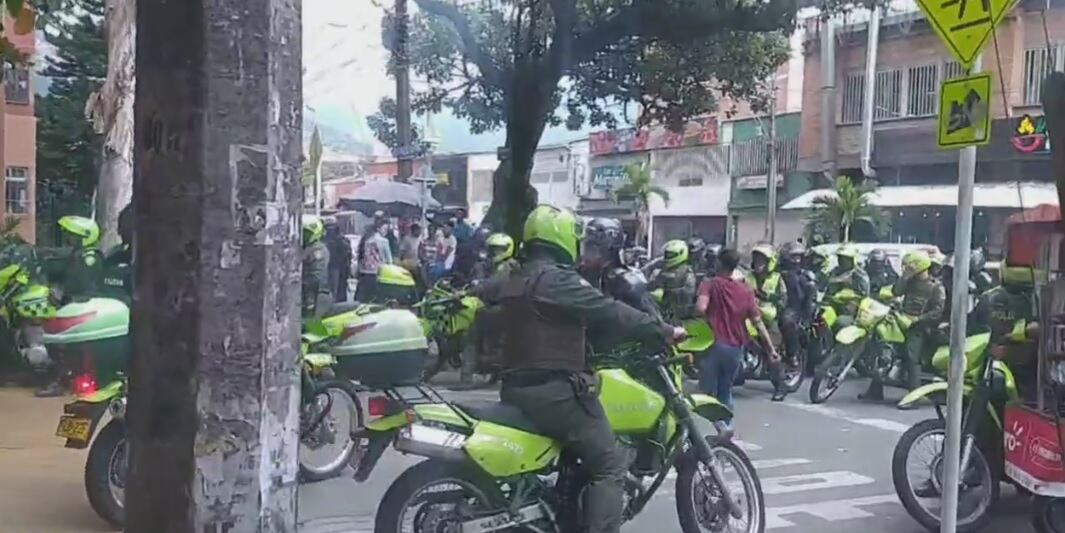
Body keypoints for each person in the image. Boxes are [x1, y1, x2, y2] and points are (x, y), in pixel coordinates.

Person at [476, 205, 683, 533]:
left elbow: (482, 307)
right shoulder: (559, 281)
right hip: (555, 393)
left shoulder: (515, 278)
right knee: (611, 465)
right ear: (562, 237)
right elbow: (609, 310)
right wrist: (665, 331)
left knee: (578, 456)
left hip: (515, 387)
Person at [697, 248, 780, 431]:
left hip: (712, 344)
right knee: (725, 391)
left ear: (718, 263)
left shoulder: (709, 284)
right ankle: (726, 427)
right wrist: (771, 350)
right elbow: (758, 324)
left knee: (706, 393)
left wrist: (706, 319)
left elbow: (701, 308)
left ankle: (718, 429)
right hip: (735, 348)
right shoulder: (746, 291)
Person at [862, 250, 945, 402]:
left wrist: (917, 319)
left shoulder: (935, 287)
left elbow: (937, 312)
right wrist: (904, 278)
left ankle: (913, 397)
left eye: (910, 267)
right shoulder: (910, 282)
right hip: (900, 321)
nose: (907, 269)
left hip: (920, 328)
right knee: (883, 347)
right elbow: (895, 291)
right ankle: (875, 391)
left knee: (911, 356)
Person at [579, 218, 664, 353]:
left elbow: (654, 323)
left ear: (610, 249)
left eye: (593, 249)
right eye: (586, 248)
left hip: (622, 360)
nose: (587, 255)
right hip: (584, 357)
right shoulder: (578, 276)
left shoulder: (628, 281)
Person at [453, 232, 520, 390]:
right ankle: (494, 373)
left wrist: (467, 292)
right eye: (492, 249)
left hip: (499, 307)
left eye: (498, 250)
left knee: (470, 337)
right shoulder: (499, 265)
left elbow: (491, 284)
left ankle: (466, 379)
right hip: (508, 308)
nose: (494, 253)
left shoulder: (507, 267)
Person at [746, 243, 789, 401]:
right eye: (756, 259)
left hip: (768, 319)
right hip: (748, 316)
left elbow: (783, 300)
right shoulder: (748, 277)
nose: (758, 263)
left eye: (761, 260)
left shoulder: (777, 279)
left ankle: (780, 386)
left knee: (770, 350)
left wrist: (767, 297)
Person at [779, 241, 817, 385]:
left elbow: (809, 300)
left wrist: (806, 316)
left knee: (787, 321)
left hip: (794, 309)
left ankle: (792, 355)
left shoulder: (805, 276)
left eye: (799, 257)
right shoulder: (776, 272)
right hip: (774, 305)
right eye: (793, 257)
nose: (796, 260)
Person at [57, 215, 104, 303]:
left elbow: (87, 292)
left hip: (82, 308)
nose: (68, 237)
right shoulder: (77, 254)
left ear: (84, 237)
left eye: (72, 234)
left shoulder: (89, 258)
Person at [650, 240, 697, 322]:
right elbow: (655, 284)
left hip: (681, 314)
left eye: (671, 254)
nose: (668, 257)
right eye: (667, 254)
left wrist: (666, 293)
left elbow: (689, 291)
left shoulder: (686, 272)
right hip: (662, 312)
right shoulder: (663, 270)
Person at [825, 245, 870, 321]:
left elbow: (864, 296)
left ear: (852, 259)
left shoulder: (859, 274)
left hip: (851, 311)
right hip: (832, 306)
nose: (841, 261)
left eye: (844, 259)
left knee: (841, 322)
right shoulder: (835, 271)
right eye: (840, 258)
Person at [355, 218, 393, 303]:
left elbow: (361, 256)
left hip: (364, 272)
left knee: (363, 300)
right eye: (385, 229)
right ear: (378, 229)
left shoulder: (366, 240)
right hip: (377, 272)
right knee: (376, 300)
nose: (386, 232)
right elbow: (389, 260)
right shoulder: (384, 241)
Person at [302, 215, 332, 318]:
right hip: (306, 295)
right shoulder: (306, 248)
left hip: (316, 295)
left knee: (312, 328)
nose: (303, 235)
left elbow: (316, 276)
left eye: (306, 232)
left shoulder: (317, 250)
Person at [324, 221, 352, 303]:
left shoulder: (340, 240)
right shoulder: (342, 240)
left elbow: (348, 255)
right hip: (336, 267)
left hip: (336, 267)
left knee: (335, 290)